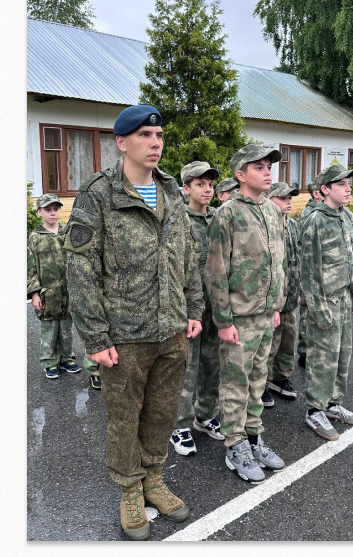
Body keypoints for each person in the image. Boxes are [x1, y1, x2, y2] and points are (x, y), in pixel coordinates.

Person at [65, 104, 203, 540]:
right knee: (124, 417)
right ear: (122, 142)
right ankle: (129, 489)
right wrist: (95, 336)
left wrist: (194, 309)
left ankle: (154, 478)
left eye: (159, 135)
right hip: (123, 337)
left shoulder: (172, 193)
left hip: (170, 330)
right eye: (145, 135)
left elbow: (186, 255)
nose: (155, 143)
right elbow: (81, 269)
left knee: (162, 413)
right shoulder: (98, 194)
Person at [205, 144, 287, 483]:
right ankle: (234, 445)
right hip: (239, 318)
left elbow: (278, 262)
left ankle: (254, 437)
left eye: (269, 166)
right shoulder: (228, 214)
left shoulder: (271, 210)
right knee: (236, 385)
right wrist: (223, 321)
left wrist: (277, 305)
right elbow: (215, 271)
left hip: (266, 314)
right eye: (258, 167)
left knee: (257, 380)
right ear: (240, 175)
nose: (267, 171)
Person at [300, 163, 353, 440]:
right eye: (341, 184)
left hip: (344, 297)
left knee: (341, 355)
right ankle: (315, 410)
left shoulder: (348, 218)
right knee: (321, 358)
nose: (348, 188)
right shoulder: (314, 221)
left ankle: (333, 403)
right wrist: (317, 309)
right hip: (324, 301)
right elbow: (308, 271)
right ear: (325, 189)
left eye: (349, 183)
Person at [169, 161, 223, 457]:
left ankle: (205, 415)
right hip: (189, 309)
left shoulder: (217, 218)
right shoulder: (178, 221)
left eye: (210, 184)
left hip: (216, 307)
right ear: (186, 188)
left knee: (212, 363)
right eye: (200, 184)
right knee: (186, 367)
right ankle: (180, 425)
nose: (207, 189)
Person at [28, 193, 81, 380]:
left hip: (67, 290)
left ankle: (67, 358)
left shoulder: (66, 232)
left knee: (66, 327)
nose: (52, 213)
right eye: (48, 210)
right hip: (47, 292)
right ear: (39, 212)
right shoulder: (35, 237)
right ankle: (49, 362)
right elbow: (30, 267)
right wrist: (34, 293)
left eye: (55, 209)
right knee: (49, 329)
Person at [262, 181, 302, 407]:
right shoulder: (268, 226)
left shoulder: (293, 226)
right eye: (283, 198)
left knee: (288, 341)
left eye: (290, 198)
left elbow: (297, 261)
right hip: (274, 298)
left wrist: (298, 291)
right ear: (269, 199)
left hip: (290, 296)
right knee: (269, 344)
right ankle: (262, 384)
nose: (288, 202)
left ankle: (281, 377)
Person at [296, 174, 325, 369]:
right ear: (317, 193)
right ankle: (305, 352)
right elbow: (303, 252)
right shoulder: (309, 216)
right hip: (309, 276)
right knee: (307, 316)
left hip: (321, 277)